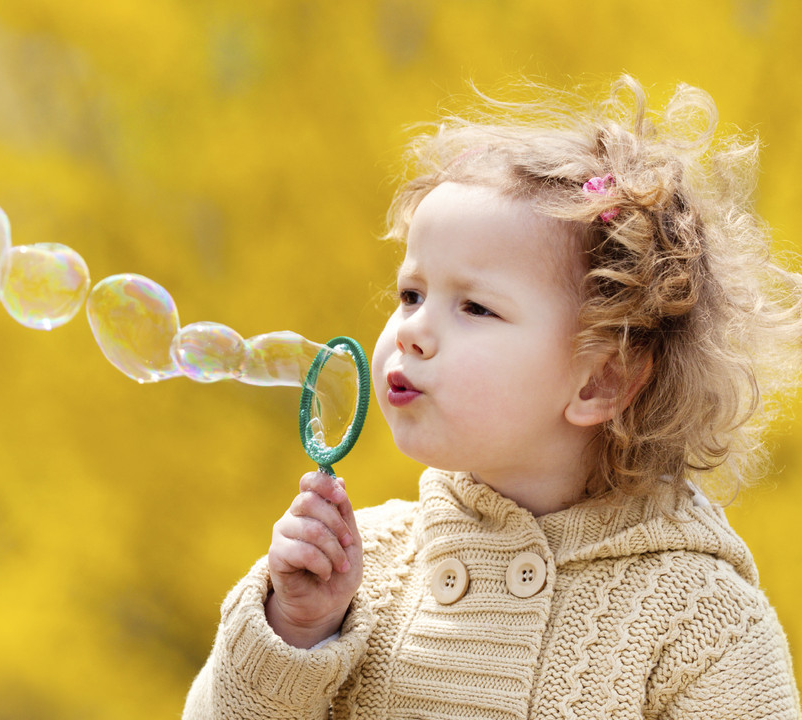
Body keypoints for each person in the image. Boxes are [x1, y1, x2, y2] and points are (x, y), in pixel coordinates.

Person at [183, 76, 802, 719]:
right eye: (411, 294)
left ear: (600, 382)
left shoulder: (701, 620)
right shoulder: (362, 571)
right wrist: (297, 631)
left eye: (475, 307)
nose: (413, 331)